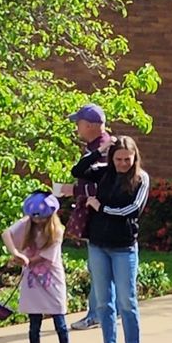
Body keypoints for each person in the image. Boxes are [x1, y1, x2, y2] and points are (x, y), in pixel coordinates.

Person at [84, 135, 150, 343]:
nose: (123, 164)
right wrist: (99, 150)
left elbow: (132, 210)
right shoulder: (104, 172)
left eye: (127, 159)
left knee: (127, 301)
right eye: (118, 159)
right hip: (98, 245)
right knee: (103, 302)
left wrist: (102, 208)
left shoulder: (141, 178)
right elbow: (78, 170)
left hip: (124, 247)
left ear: (135, 158)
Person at [3, 191, 73, 343]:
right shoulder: (28, 223)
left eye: (43, 219)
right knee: (34, 325)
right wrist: (15, 253)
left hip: (52, 282)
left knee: (60, 323)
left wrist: (25, 259)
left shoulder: (57, 230)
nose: (39, 222)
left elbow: (43, 257)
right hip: (32, 284)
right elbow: (6, 234)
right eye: (36, 219)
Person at [67, 104, 114, 331]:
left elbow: (101, 188)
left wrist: (71, 191)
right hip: (93, 214)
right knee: (100, 266)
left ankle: (96, 314)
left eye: (78, 123)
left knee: (99, 267)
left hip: (100, 216)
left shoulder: (105, 150)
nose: (77, 127)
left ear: (89, 125)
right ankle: (104, 312)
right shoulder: (96, 147)